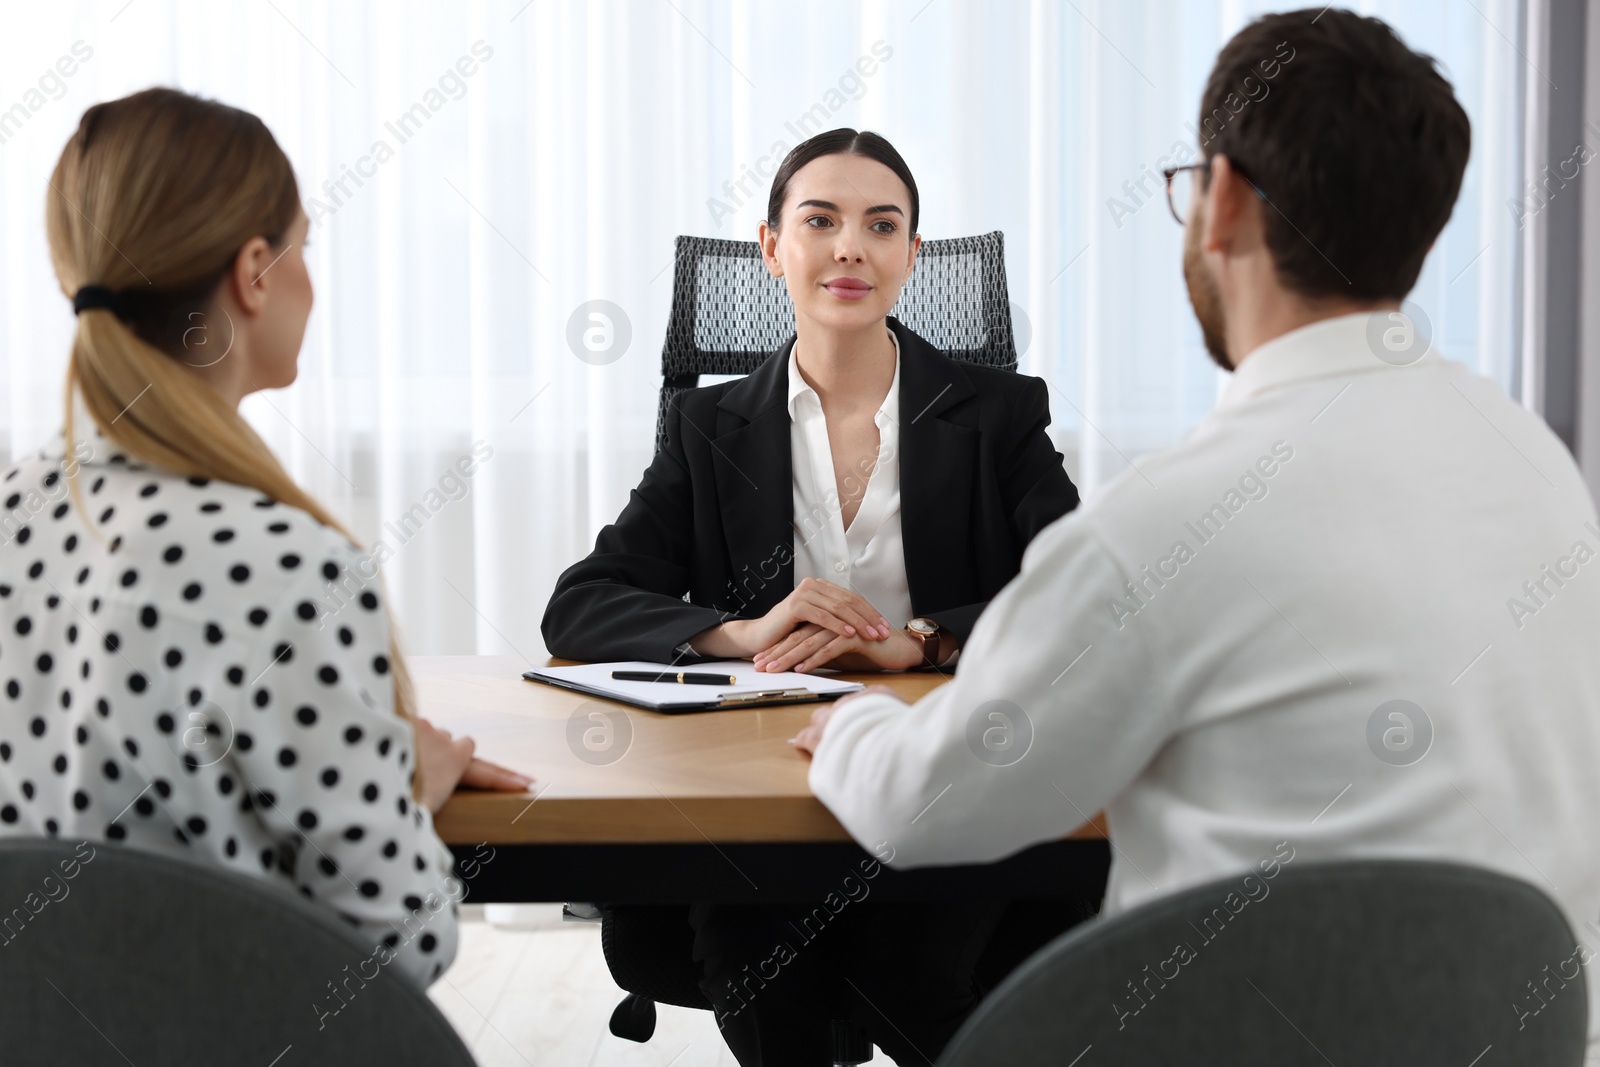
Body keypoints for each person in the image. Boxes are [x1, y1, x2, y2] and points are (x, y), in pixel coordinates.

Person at [798, 7, 1600, 1059]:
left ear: (1219, 199)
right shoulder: (1534, 460)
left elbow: (928, 804)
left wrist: (849, 725)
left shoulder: (1170, 520)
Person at [542, 130, 1083, 1064]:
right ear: (770, 247)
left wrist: (921, 642)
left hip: (949, 764)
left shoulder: (998, 411)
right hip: (765, 780)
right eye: (820, 221)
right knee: (753, 955)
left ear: (913, 254)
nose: (849, 248)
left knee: (910, 972)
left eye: (882, 225)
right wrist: (737, 629)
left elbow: (1081, 592)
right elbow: (582, 603)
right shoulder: (709, 425)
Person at [0, 87, 529, 988]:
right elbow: (392, 946)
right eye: (303, 247)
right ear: (253, 270)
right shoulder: (286, 562)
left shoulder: (14, 512)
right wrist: (404, 793)